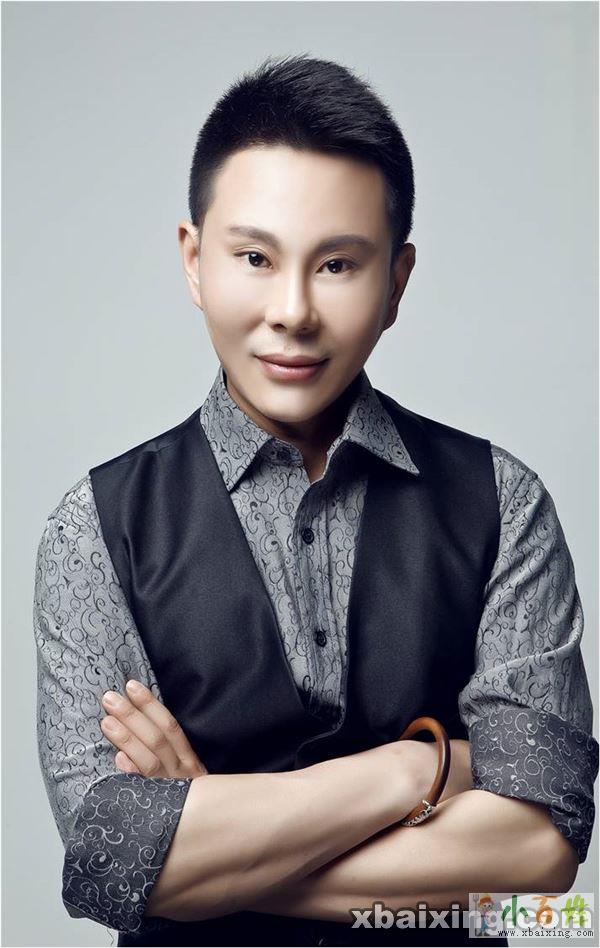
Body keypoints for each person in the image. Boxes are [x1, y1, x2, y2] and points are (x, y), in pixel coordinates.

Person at [33, 53, 598, 947]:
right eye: (255, 257)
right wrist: (415, 769)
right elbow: (109, 857)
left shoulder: (505, 502)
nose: (292, 310)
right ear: (194, 260)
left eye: (337, 264)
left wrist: (205, 866)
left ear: (397, 282)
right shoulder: (96, 528)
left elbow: (541, 851)